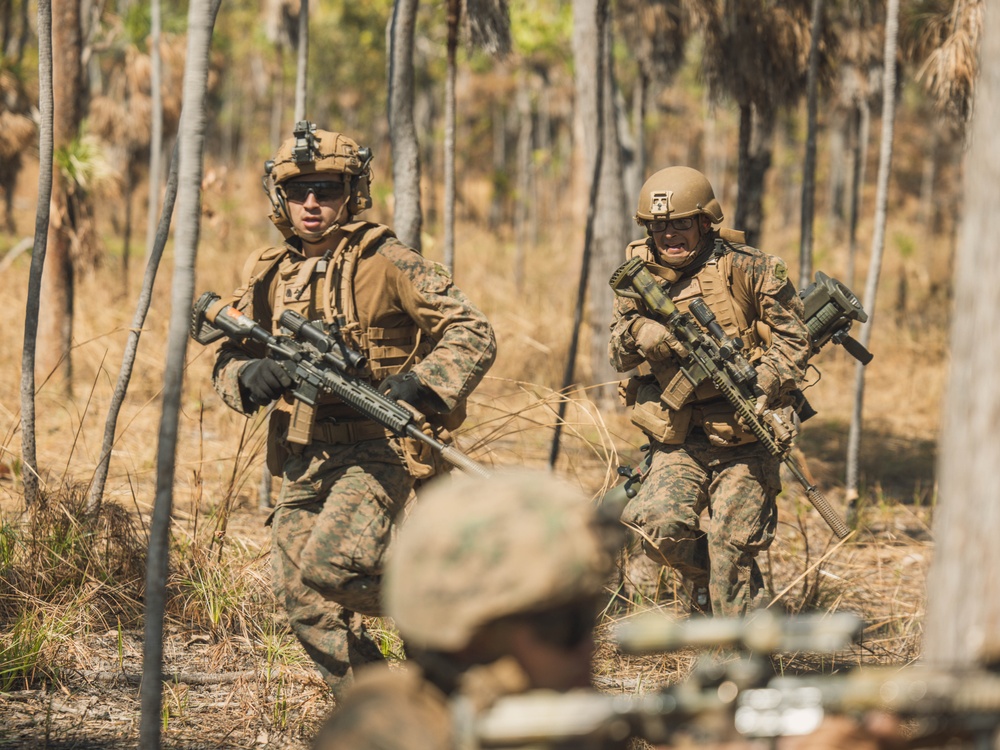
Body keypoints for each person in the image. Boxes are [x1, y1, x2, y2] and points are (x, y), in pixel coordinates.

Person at [211, 122, 497, 699]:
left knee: (334, 567)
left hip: (377, 446)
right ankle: (381, 711)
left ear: (353, 193)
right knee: (302, 598)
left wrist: (419, 384)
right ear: (280, 199)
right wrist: (250, 375)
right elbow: (225, 356)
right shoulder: (268, 272)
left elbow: (473, 331)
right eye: (298, 192)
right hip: (302, 452)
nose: (312, 204)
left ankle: (445, 612)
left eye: (328, 189)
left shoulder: (388, 260)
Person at [609, 166, 809, 618]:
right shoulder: (640, 275)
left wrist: (763, 382)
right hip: (679, 436)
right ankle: (711, 582)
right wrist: (640, 331)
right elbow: (616, 348)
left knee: (730, 546)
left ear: (705, 221)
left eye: (680, 223)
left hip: (745, 433)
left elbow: (796, 339)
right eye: (659, 226)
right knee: (659, 528)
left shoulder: (751, 267)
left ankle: (736, 662)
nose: (669, 235)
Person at [311, 469, 624, 749]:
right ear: (478, 637)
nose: (589, 647)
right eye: (565, 627)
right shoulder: (383, 728)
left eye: (589, 617)